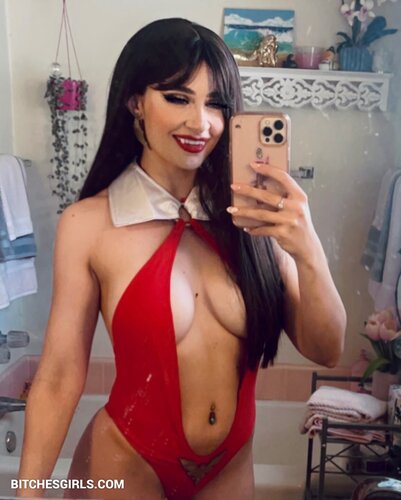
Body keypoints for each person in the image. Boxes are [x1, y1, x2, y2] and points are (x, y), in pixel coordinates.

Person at [17, 18, 346, 500]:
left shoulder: (257, 220)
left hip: (230, 467)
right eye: (177, 98)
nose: (201, 123)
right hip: (125, 460)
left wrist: (308, 247)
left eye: (216, 104)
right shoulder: (88, 224)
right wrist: (27, 493)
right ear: (135, 101)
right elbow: (59, 375)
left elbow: (326, 349)